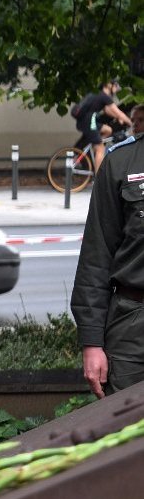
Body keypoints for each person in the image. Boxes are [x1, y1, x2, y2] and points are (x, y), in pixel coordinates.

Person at [71, 131, 144, 397]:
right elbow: (96, 256)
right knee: (126, 429)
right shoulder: (122, 161)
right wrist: (91, 342)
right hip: (133, 326)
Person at [72, 79, 130, 171]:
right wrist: (131, 122)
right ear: (108, 85)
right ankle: (98, 178)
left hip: (85, 122)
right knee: (100, 150)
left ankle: (93, 146)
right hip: (89, 123)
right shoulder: (104, 96)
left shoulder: (98, 94)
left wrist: (119, 118)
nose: (117, 88)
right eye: (115, 85)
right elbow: (118, 112)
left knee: (108, 130)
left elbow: (108, 111)